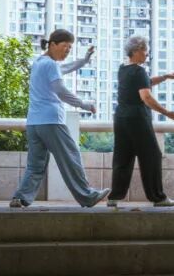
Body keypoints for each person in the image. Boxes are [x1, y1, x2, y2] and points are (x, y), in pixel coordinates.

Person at [10, 29, 110, 208]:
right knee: (71, 157)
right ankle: (88, 196)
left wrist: (84, 61)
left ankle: (20, 198)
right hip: (51, 121)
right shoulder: (50, 65)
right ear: (52, 44)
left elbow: (65, 68)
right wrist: (84, 105)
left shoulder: (40, 62)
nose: (67, 51)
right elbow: (60, 91)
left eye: (70, 48)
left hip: (34, 123)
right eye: (65, 46)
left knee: (36, 164)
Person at [107, 36, 174, 208]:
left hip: (121, 118)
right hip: (137, 119)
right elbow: (146, 96)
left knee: (123, 157)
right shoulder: (138, 71)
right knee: (152, 156)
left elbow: (146, 83)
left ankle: (114, 197)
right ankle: (158, 198)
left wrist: (166, 76)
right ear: (134, 51)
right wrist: (167, 113)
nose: (146, 53)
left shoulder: (124, 69)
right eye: (144, 50)